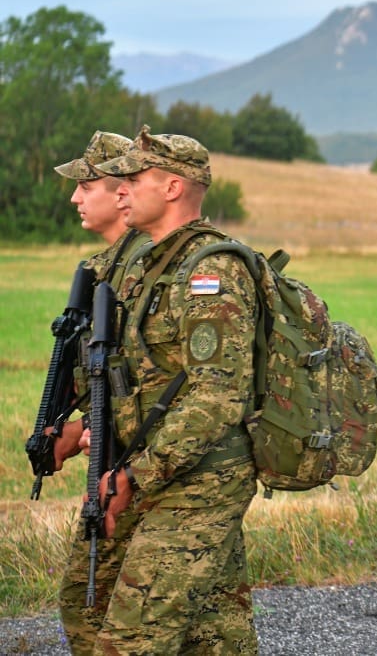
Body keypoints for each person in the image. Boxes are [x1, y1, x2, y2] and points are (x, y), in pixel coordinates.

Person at [76, 127, 261, 654]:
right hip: (162, 467)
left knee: (130, 638)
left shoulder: (210, 271)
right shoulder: (153, 263)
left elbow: (216, 397)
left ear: (173, 187)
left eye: (135, 180)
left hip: (201, 477)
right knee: (215, 635)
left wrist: (135, 476)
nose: (122, 190)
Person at [49, 131, 153, 653]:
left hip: (141, 464)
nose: (74, 197)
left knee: (89, 606)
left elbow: (146, 379)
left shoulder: (144, 267)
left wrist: (98, 431)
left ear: (121, 191)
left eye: (86, 186)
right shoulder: (107, 265)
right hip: (123, 460)